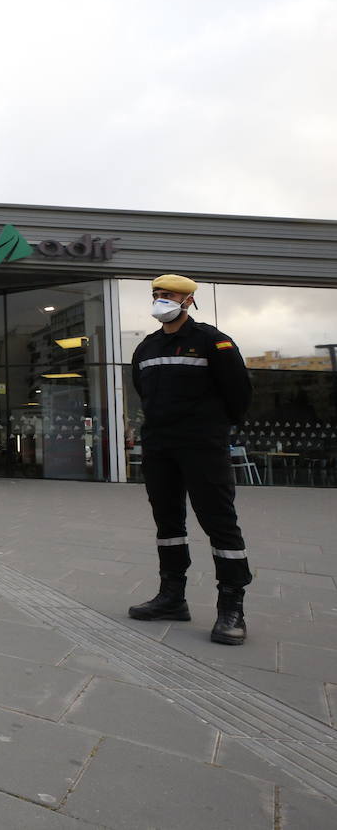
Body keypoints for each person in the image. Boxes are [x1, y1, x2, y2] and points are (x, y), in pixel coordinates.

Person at [128, 274, 253, 645]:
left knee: (220, 524)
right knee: (168, 524)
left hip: (202, 446)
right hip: (159, 447)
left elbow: (239, 393)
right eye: (156, 295)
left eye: (167, 295)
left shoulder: (213, 341)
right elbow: (142, 391)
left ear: (187, 301)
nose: (159, 300)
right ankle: (172, 597)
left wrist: (212, 430)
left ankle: (232, 607)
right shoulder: (146, 348)